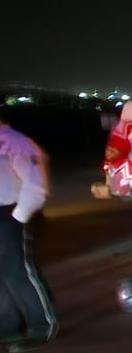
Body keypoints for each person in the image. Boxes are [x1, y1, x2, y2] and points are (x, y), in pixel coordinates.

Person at [0, 109, 57, 352]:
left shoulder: (15, 142)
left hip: (12, 213)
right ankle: (8, 327)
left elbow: (36, 186)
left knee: (19, 272)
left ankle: (41, 324)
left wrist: (18, 218)